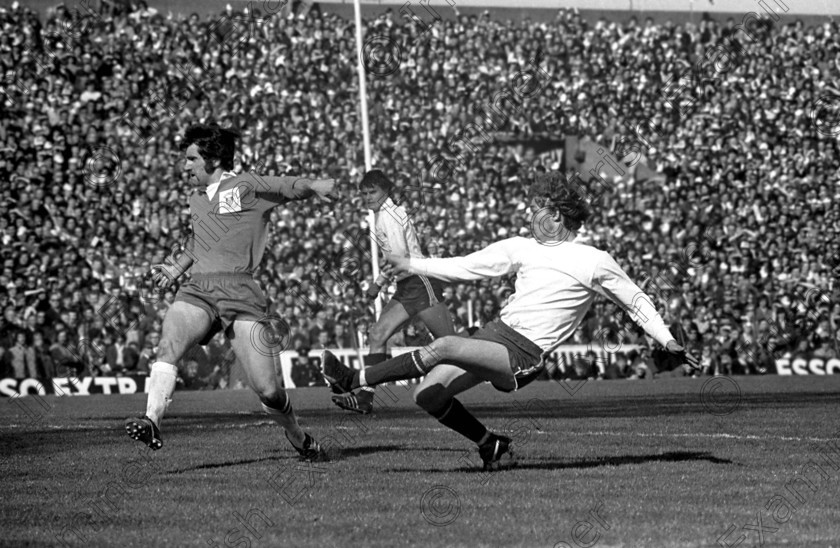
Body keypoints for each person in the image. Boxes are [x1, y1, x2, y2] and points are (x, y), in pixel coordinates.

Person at [322, 172, 698, 470]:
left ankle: (353, 380)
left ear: (555, 215)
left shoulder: (594, 260)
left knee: (443, 346)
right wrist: (411, 264)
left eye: (535, 208)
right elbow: (466, 267)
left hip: (524, 354)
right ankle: (491, 445)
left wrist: (666, 340)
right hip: (496, 334)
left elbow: (635, 300)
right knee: (427, 394)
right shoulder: (521, 247)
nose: (527, 214)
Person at [125, 123, 335, 462]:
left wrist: (314, 185)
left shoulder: (246, 185)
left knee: (267, 390)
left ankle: (299, 437)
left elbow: (286, 186)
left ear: (214, 159)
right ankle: (152, 420)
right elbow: (198, 240)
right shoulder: (195, 197)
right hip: (199, 288)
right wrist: (176, 270)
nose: (185, 166)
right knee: (168, 346)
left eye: (191, 159)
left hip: (240, 292)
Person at [331, 170, 455, 415]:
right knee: (377, 334)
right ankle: (365, 397)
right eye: (364, 193)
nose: (367, 197)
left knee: (451, 343)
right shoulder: (381, 215)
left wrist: (378, 282)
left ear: (385, 190)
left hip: (419, 282)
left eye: (372, 192)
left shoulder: (389, 216)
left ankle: (497, 363)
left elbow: (399, 258)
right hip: (407, 285)